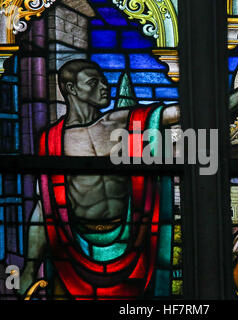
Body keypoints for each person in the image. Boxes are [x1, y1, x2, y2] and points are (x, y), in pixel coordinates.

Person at [18, 59, 180, 299]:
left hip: (131, 245)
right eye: (94, 82)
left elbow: (180, 112)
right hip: (74, 253)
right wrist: (31, 267)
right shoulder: (51, 141)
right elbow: (46, 208)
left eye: (104, 80)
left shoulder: (123, 122)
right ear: (71, 89)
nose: (104, 86)